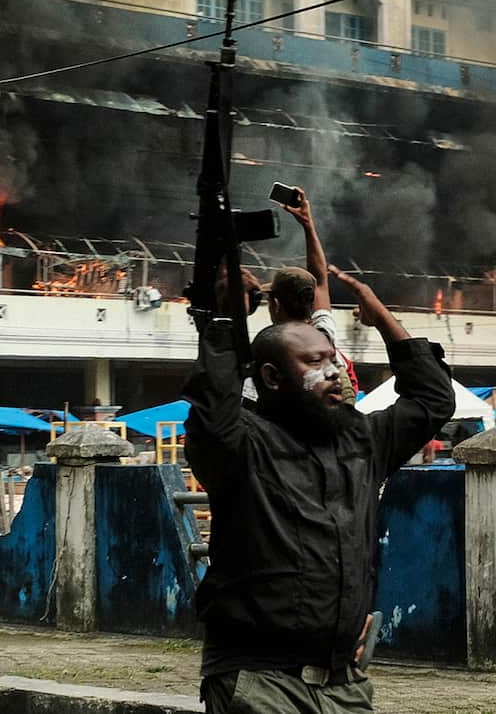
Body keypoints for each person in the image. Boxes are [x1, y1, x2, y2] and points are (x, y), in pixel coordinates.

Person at [184, 263, 455, 714]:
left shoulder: (363, 440)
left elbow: (432, 400)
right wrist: (223, 320)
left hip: (345, 685)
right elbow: (213, 408)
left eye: (333, 359)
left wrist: (382, 318)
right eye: (314, 362)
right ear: (271, 378)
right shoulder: (241, 446)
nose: (334, 372)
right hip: (261, 685)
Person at [264, 188, 358, 406]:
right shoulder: (324, 336)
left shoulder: (272, 354)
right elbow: (320, 280)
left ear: (276, 305)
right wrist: (307, 224)